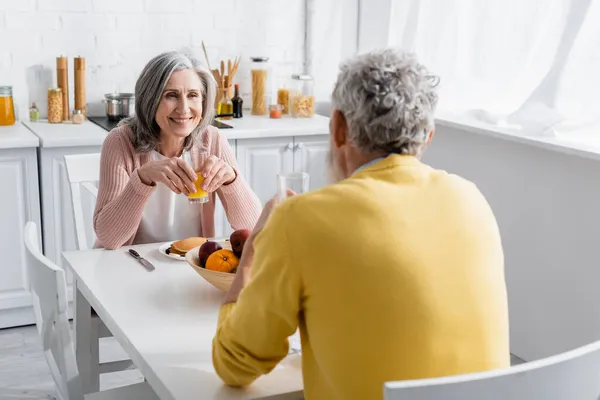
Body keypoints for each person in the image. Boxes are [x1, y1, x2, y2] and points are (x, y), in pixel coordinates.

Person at [212, 48, 510, 399]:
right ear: (428, 136)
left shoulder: (300, 219)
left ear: (337, 128)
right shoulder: (472, 199)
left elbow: (235, 366)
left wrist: (249, 258)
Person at [94, 51, 261, 249]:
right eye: (171, 95)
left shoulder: (212, 139)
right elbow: (109, 239)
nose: (184, 108)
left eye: (192, 95)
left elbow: (254, 228)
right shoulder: (120, 142)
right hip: (133, 263)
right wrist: (142, 179)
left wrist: (232, 181)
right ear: (150, 100)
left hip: (191, 265)